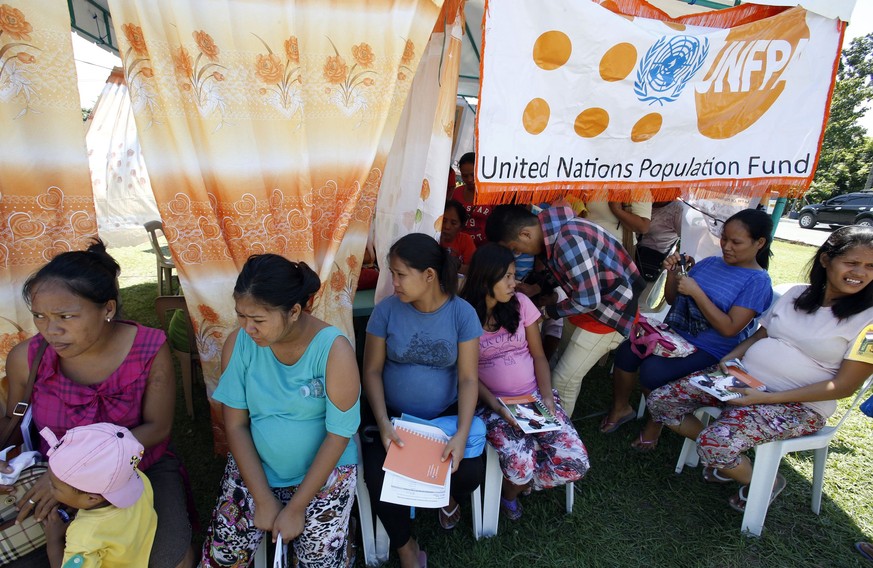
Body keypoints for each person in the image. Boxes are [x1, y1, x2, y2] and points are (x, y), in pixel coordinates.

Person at [647, 225, 873, 511]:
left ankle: (762, 481)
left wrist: (764, 399)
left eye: (870, 266)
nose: (861, 272)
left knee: (715, 443)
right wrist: (730, 358)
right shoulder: (796, 294)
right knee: (661, 401)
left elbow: (844, 387)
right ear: (826, 260)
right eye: (852, 263)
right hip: (744, 380)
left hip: (798, 406)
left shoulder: (869, 321)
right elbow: (760, 334)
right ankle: (729, 455)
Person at [1, 240, 192, 568]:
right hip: (55, 478)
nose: (51, 330)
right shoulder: (26, 358)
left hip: (138, 469)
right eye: (40, 316)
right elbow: (13, 422)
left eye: (66, 316)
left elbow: (157, 428)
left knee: (170, 559)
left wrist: (75, 472)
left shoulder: (148, 348)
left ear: (108, 309)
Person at [200, 254, 360, 567]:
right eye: (241, 316)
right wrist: (262, 498)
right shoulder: (240, 344)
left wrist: (297, 507)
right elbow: (235, 426)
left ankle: (343, 534)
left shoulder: (333, 350)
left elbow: (339, 434)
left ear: (295, 311)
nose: (247, 328)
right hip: (255, 467)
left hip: (325, 471)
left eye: (258, 320)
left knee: (317, 560)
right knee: (222, 558)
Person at [361, 233, 484, 568]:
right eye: (392, 273)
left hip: (442, 418)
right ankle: (406, 548)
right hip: (393, 417)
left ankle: (440, 497)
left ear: (429, 275)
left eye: (400, 274)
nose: (393, 283)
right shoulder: (386, 311)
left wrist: (460, 433)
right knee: (379, 477)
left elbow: (469, 378)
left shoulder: (462, 314)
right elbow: (371, 371)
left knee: (468, 473)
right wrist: (384, 423)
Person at [606, 208, 774, 450]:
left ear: (759, 243)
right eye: (724, 238)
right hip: (676, 335)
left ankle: (654, 425)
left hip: (714, 350)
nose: (726, 246)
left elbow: (730, 329)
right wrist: (673, 273)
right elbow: (674, 299)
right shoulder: (710, 263)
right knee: (626, 351)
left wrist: (697, 292)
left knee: (653, 370)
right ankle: (621, 408)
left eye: (736, 242)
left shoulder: (757, 281)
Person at [460, 244, 589, 521]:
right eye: (506, 276)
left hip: (534, 399)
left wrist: (548, 400)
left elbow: (539, 356)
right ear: (485, 279)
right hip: (493, 406)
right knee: (520, 462)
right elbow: (468, 375)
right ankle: (513, 489)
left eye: (513, 275)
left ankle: (518, 488)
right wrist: (498, 408)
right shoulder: (465, 315)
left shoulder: (520, 304)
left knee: (575, 462)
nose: (514, 282)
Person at [485, 202, 646, 417]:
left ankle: (561, 437)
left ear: (525, 234)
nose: (517, 254)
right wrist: (538, 287)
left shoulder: (567, 240)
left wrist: (547, 313)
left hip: (611, 315)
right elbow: (571, 273)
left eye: (515, 248)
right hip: (590, 308)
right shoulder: (558, 232)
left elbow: (588, 299)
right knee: (562, 368)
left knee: (563, 380)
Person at [40, 423, 157, 568]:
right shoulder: (136, 479)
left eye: (55, 487)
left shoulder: (84, 535)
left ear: (91, 498)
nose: (49, 488)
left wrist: (54, 541)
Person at [451, 152, 492, 247]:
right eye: (465, 176)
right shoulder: (456, 193)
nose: (470, 179)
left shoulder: (492, 194)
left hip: (485, 249)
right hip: (460, 248)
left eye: (473, 175)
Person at [636, 200, 684, 282]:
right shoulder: (645, 201)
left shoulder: (678, 209)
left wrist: (674, 261)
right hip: (633, 253)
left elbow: (685, 239)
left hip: (654, 262)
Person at [440, 200, 476, 274]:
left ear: (461, 226)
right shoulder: (433, 237)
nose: (447, 226)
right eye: (443, 221)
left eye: (453, 223)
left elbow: (472, 269)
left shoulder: (466, 240)